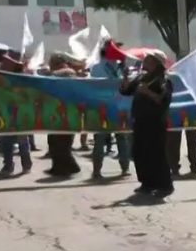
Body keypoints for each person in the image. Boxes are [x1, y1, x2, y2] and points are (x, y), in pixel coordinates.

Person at [120, 50, 175, 198]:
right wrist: (125, 78)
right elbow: (126, 91)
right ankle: (147, 183)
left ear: (156, 63)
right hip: (140, 120)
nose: (144, 62)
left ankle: (165, 185)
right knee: (139, 152)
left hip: (155, 122)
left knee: (156, 153)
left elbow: (163, 101)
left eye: (148, 60)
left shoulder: (163, 80)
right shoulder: (141, 77)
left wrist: (148, 92)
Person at [89, 46, 130, 179]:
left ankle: (125, 167)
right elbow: (97, 84)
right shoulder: (97, 67)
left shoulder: (120, 67)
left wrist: (125, 76)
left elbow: (125, 87)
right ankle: (97, 170)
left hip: (118, 106)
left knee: (121, 138)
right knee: (100, 139)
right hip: (103, 106)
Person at [44, 53, 80, 176]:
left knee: (62, 144)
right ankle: (57, 167)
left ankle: (70, 167)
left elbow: (56, 76)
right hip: (57, 112)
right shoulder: (57, 72)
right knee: (53, 141)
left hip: (68, 113)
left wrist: (47, 73)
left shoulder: (68, 72)